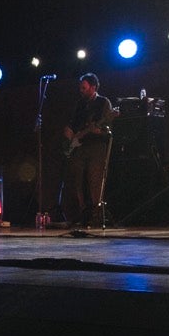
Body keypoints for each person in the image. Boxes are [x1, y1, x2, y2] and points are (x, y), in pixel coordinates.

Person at [61, 72, 114, 228]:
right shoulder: (80, 104)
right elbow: (72, 124)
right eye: (80, 87)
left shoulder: (103, 103)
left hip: (96, 147)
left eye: (84, 87)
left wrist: (98, 130)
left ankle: (97, 215)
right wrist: (68, 136)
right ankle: (83, 213)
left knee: (95, 181)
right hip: (80, 147)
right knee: (77, 180)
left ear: (93, 87)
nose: (81, 90)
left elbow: (107, 127)